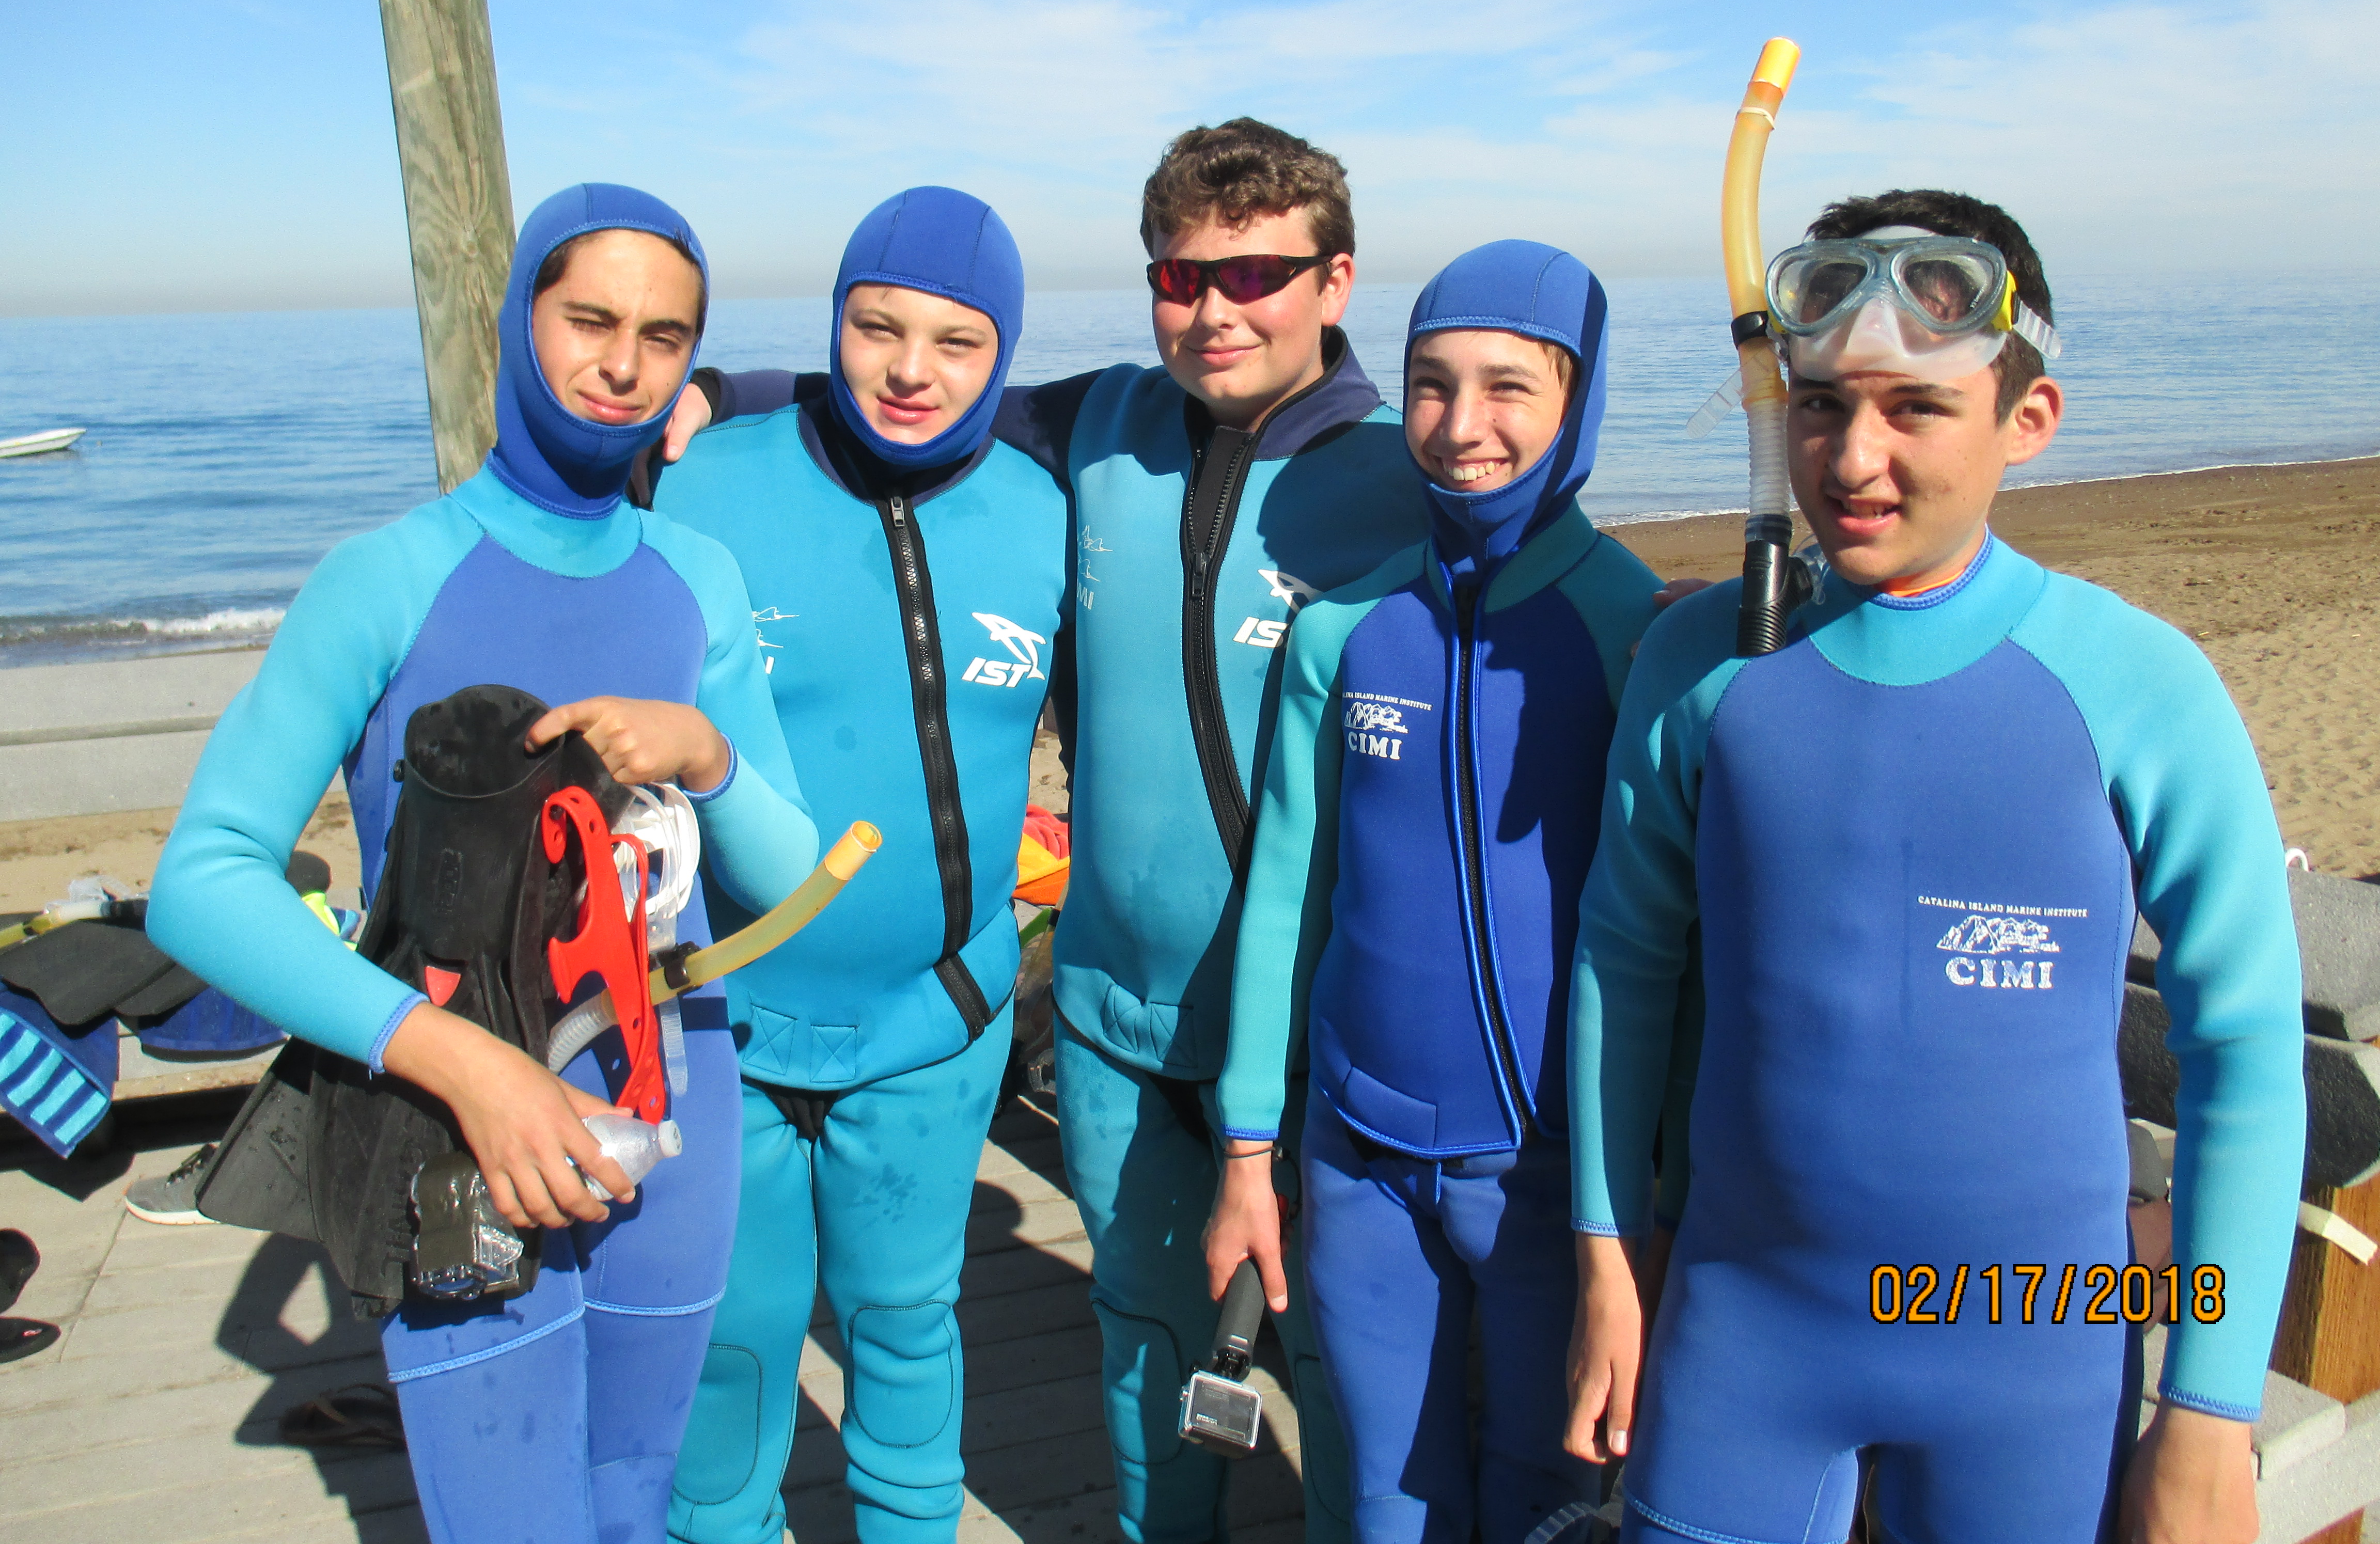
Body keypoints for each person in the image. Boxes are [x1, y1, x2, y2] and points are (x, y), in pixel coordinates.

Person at [665, 120, 1431, 1541]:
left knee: (1338, 1364)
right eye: (1180, 277)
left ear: (1337, 281)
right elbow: (911, 399)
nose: (1214, 311)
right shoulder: (1105, 430)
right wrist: (706, 389)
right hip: (1107, 1017)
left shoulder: (1416, 479)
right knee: (1144, 1331)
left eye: (1257, 274)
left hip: (1326, 1030)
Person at [1563, 191, 2306, 1544]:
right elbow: (1625, 960)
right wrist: (1610, 1264)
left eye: (1914, 409)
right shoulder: (1700, 666)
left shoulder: (2138, 684)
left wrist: (2208, 1415)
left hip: (2036, 1351)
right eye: (1821, 403)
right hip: (1746, 1331)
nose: (1853, 457)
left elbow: (2246, 1046)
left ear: (2028, 421)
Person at [148, 184, 820, 1544]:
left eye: (666, 334)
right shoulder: (388, 577)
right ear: (516, 318)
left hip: (669, 1138)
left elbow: (787, 876)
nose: (625, 363)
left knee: (635, 1512)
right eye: (589, 319)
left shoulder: (698, 579)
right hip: (458, 1137)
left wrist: (708, 755)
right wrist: (462, 1062)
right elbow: (203, 880)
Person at [1203, 242, 1665, 1542]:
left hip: (1553, 1186)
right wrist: (1251, 1147)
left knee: (1545, 1496)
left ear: (1581, 400)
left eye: (1510, 388)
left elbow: (1677, 951)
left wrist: (1643, 1207)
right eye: (1429, 384)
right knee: (1383, 1501)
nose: (1463, 429)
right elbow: (1286, 897)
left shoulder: (1637, 628)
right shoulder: (1345, 629)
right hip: (1358, 1163)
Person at [641, 187, 1065, 1543]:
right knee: (737, 1346)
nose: (910, 369)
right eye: (876, 327)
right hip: (726, 1024)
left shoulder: (1047, 517)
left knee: (904, 1327)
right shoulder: (704, 475)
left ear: (1002, 352)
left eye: (956, 341)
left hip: (938, 1019)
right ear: (835, 324)